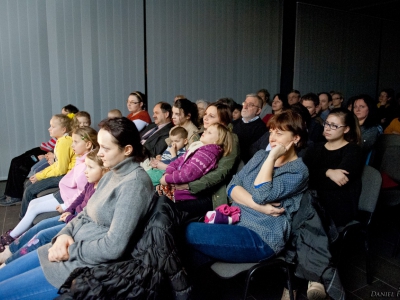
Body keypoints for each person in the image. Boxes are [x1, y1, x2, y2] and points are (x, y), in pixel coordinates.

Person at [0, 117, 154, 298]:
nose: (100, 153)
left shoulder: (135, 184)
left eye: (105, 148)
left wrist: (68, 249)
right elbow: (86, 213)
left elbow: (113, 247)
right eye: (99, 146)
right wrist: (64, 235)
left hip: (76, 266)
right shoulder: (112, 173)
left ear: (127, 150)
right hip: (67, 250)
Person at [186, 110, 308, 263]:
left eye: (279, 133)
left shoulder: (298, 171)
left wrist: (271, 157)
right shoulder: (260, 156)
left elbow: (261, 194)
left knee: (189, 231)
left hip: (263, 236)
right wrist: (261, 208)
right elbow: (232, 186)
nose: (272, 138)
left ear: (296, 138)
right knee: (188, 255)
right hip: (235, 222)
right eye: (271, 132)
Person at [0, 148, 107, 266]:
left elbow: (87, 219)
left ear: (105, 170)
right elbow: (80, 197)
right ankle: (8, 252)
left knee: (42, 235)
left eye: (90, 168)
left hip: (76, 223)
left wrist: (69, 217)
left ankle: (10, 263)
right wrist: (69, 210)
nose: (85, 171)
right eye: (86, 166)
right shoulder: (91, 183)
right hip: (71, 217)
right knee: (40, 226)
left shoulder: (101, 192)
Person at [0, 127, 98, 249]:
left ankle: (12, 237)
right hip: (64, 193)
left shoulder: (87, 165)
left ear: (88, 144)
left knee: (35, 208)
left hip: (66, 199)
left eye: (76, 142)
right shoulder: (82, 158)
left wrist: (65, 206)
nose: (72, 145)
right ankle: (19, 232)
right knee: (33, 203)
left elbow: (82, 194)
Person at [0, 107, 78, 207]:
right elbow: (57, 164)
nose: (49, 129)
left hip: (63, 174)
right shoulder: (61, 140)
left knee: (28, 186)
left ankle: (20, 207)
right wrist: (41, 173)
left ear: (63, 129)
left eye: (52, 126)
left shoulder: (64, 141)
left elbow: (60, 169)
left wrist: (40, 175)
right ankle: (12, 196)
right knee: (17, 164)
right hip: (57, 165)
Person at [303, 108, 363, 228]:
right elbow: (302, 174)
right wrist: (328, 172)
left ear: (346, 129)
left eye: (334, 126)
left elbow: (337, 183)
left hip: (337, 202)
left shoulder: (352, 150)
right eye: (327, 123)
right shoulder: (315, 147)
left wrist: (312, 177)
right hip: (312, 197)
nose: (328, 128)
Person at [158, 123, 233, 218]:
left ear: (217, 141)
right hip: (176, 187)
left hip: (186, 196)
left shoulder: (208, 153)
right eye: (206, 130)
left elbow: (188, 174)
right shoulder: (199, 147)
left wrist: (167, 178)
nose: (204, 132)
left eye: (209, 132)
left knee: (162, 210)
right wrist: (168, 172)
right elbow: (179, 161)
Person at [233, 94, 268, 163]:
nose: (245, 107)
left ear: (258, 111)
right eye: (245, 103)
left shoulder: (262, 129)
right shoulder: (234, 123)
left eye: (250, 105)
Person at [351, 94, 382, 159]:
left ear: (369, 108)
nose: (357, 109)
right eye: (355, 107)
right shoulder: (349, 124)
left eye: (362, 107)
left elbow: (360, 148)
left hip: (357, 159)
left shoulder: (373, 129)